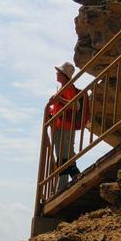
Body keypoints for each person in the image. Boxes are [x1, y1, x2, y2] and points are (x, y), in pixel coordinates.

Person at [46, 61, 80, 193]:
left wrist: (59, 100)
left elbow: (75, 106)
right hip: (60, 126)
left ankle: (63, 187)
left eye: (58, 72)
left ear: (63, 75)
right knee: (65, 157)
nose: (56, 73)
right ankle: (75, 178)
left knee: (64, 157)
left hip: (64, 127)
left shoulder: (68, 88)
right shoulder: (64, 88)